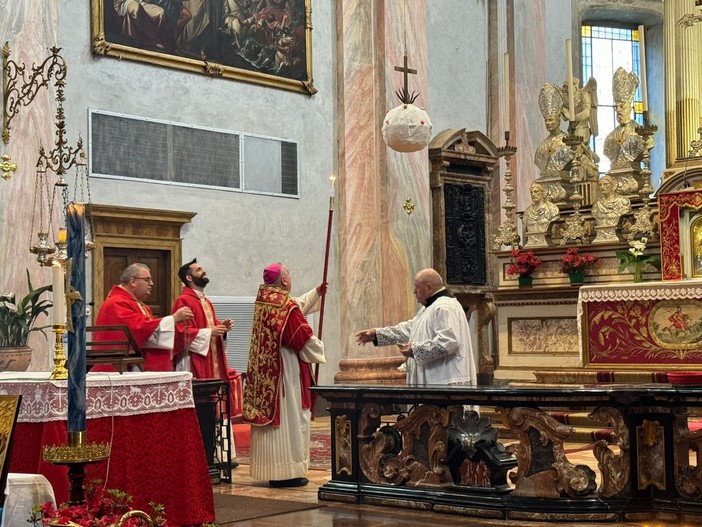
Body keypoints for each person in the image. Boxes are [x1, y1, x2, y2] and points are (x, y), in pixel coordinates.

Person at [242, 262, 326, 488]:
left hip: (265, 375)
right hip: (284, 373)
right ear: (285, 281)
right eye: (288, 273)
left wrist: (315, 293)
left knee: (277, 424)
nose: (290, 276)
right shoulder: (284, 305)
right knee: (290, 418)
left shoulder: (265, 301)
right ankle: (287, 472)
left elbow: (296, 306)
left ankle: (273, 470)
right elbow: (302, 339)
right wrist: (319, 348)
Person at [355, 268, 476, 386]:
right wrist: (376, 334)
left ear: (428, 287)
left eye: (417, 287)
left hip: (445, 380)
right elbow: (408, 329)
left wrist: (415, 350)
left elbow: (449, 341)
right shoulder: (430, 308)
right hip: (436, 380)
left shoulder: (445, 307)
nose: (414, 291)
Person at [93, 263, 194, 371]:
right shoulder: (116, 303)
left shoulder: (141, 305)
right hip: (118, 367)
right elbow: (138, 328)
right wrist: (173, 319)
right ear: (133, 281)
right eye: (147, 280)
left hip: (135, 365)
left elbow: (148, 331)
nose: (152, 284)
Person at [172, 258, 233, 380]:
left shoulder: (207, 301)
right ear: (189, 278)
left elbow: (212, 328)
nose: (204, 271)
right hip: (192, 359)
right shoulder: (183, 300)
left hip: (210, 357)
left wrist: (223, 330)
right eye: (199, 270)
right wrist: (211, 332)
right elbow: (181, 333)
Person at [533, 83, 573, 204]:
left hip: (562, 191)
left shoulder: (567, 142)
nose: (548, 123)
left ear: (558, 120)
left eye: (550, 119)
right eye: (546, 120)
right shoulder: (541, 147)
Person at [523, 182, 560, 248]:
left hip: (547, 243)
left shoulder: (552, 209)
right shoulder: (527, 211)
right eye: (531, 192)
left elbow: (555, 217)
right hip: (530, 245)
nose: (533, 194)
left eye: (536, 191)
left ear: (542, 193)